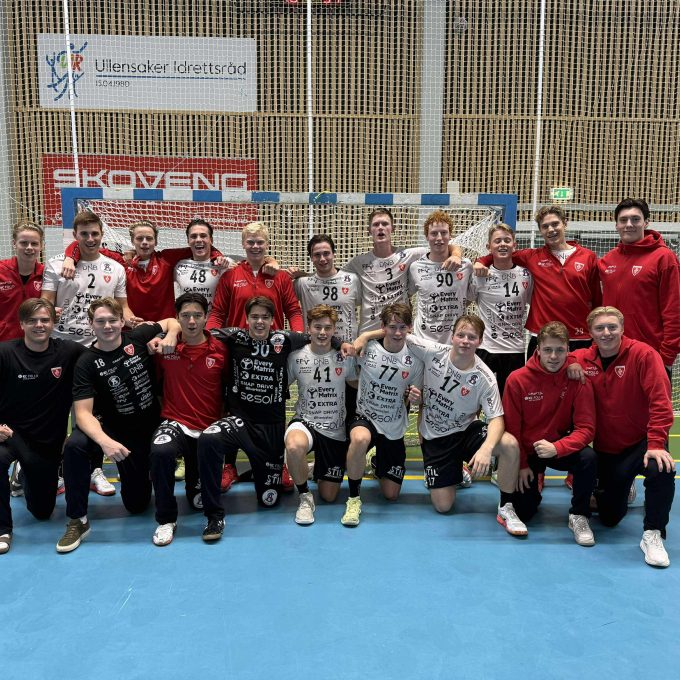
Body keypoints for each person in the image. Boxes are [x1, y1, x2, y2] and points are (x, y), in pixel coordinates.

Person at [198, 296, 348, 542]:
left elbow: (320, 336)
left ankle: (287, 469)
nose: (260, 321)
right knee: (208, 439)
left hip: (271, 427)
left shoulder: (285, 339)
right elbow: (197, 331)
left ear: (273, 320)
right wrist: (169, 333)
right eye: (255, 316)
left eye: (265, 317)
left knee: (269, 500)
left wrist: (341, 342)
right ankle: (214, 515)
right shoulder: (234, 336)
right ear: (247, 318)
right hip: (240, 421)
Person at [55, 298, 180, 553]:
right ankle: (78, 520)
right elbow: (82, 414)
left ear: (122, 321)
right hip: (111, 430)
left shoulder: (138, 337)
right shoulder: (86, 362)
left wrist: (170, 336)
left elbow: (171, 322)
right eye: (100, 321)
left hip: (144, 429)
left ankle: (146, 477)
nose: (107, 326)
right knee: (75, 446)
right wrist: (105, 442)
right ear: (91, 324)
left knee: (136, 505)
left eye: (113, 320)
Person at [568, 306, 675, 567]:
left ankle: (653, 533)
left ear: (622, 329)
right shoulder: (581, 358)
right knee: (609, 518)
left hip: (642, 442)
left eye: (612, 327)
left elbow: (661, 402)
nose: (606, 333)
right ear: (590, 332)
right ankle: (623, 487)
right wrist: (570, 363)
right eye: (599, 328)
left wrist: (657, 443)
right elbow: (553, 358)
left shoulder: (644, 355)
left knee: (661, 468)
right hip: (607, 448)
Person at [404, 314, 527, 536]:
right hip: (436, 437)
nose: (465, 341)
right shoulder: (433, 352)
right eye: (461, 335)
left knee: (509, 444)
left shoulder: (484, 377)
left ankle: (506, 507)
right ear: (452, 337)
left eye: (472, 337)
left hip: (466, 431)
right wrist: (364, 337)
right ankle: (458, 472)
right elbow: (399, 333)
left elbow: (497, 419)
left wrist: (486, 449)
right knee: (443, 506)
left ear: (480, 341)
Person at [0, 298, 84, 554]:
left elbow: (104, 352)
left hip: (46, 442)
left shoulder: (68, 352)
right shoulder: (5, 353)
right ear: (22, 324)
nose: (39, 325)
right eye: (32, 320)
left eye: (45, 320)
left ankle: (22, 474)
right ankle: (3, 529)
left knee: (42, 512)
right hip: (9, 434)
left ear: (53, 323)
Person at [503, 321, 597, 545]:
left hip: (557, 447)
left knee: (588, 458)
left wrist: (558, 447)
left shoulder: (577, 379)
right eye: (547, 350)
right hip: (529, 451)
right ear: (537, 349)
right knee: (525, 511)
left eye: (560, 350)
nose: (553, 356)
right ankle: (531, 488)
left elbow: (586, 428)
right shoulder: (517, 379)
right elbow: (512, 429)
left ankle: (579, 514)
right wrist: (521, 464)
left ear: (568, 350)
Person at [147, 292, 229, 546]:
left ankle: (215, 517)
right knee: (160, 451)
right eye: (185, 316)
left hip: (209, 426)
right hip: (176, 421)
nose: (191, 321)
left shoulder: (221, 350)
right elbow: (157, 387)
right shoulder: (164, 349)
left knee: (198, 498)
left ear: (206, 317)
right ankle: (166, 520)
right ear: (178, 318)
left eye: (197, 315)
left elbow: (227, 390)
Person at [474, 205, 601, 357]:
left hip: (579, 337)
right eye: (545, 226)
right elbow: (501, 253)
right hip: (542, 336)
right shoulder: (532, 256)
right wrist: (481, 261)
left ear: (565, 223)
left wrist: (597, 333)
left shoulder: (588, 257)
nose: (551, 229)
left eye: (555, 224)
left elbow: (597, 300)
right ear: (540, 230)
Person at [341, 303, 424, 527]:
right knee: (360, 439)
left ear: (409, 328)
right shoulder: (368, 349)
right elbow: (350, 378)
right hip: (365, 416)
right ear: (383, 327)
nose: (397, 333)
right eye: (392, 327)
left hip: (393, 425)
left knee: (391, 495)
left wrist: (415, 397)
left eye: (402, 327)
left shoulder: (415, 359)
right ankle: (354, 498)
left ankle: (376, 461)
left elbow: (417, 396)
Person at [62, 219, 227, 322]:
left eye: (149, 238)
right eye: (140, 238)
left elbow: (200, 245)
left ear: (156, 241)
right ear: (132, 241)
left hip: (164, 328)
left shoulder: (166, 259)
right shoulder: (122, 261)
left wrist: (217, 256)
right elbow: (84, 245)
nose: (145, 242)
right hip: (132, 327)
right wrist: (70, 258)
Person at [285, 304, 357, 525]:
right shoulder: (296, 356)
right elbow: (279, 387)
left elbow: (357, 385)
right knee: (294, 446)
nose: (322, 332)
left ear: (335, 329)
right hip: (305, 421)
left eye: (327, 327)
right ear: (309, 328)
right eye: (317, 327)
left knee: (329, 495)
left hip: (334, 429)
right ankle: (305, 497)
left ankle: (311, 468)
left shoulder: (344, 357)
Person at [598, 198, 680, 380]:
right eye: (623, 220)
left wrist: (666, 357)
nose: (629, 224)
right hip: (611, 353)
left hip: (651, 354)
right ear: (616, 225)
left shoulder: (664, 258)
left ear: (646, 222)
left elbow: (674, 310)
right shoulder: (607, 260)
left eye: (635, 219)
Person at [344, 208, 462, 333]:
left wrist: (456, 254)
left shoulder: (410, 255)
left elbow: (441, 246)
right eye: (376, 224)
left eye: (385, 224)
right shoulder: (358, 262)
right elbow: (335, 275)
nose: (380, 227)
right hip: (369, 333)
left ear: (393, 228)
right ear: (369, 230)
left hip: (399, 331)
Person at [41, 210, 138, 343]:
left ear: (102, 234)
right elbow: (46, 300)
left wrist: (135, 323)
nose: (90, 239)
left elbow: (123, 307)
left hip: (100, 343)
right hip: (61, 340)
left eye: (95, 234)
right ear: (75, 235)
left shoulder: (117, 268)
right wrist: (49, 312)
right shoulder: (55, 264)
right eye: (84, 234)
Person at [467, 223, 532, 396]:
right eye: (497, 241)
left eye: (507, 240)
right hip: (486, 348)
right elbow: (463, 303)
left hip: (514, 350)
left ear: (514, 245)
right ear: (489, 247)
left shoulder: (526, 275)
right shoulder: (479, 275)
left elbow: (535, 303)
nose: (502, 244)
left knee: (510, 400)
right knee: (476, 399)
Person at [207, 222, 303, 332]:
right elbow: (217, 314)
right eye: (250, 242)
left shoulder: (281, 277)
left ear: (267, 244)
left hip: (273, 341)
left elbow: (293, 312)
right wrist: (210, 337)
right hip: (239, 342)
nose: (255, 246)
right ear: (243, 244)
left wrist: (298, 335)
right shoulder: (229, 276)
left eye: (260, 242)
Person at [409, 209, 472, 345]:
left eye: (443, 233)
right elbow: (406, 296)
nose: (439, 238)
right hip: (423, 340)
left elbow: (471, 296)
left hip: (455, 341)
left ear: (450, 235)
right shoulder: (415, 267)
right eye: (434, 233)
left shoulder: (466, 265)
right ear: (427, 236)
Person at [294, 234, 362, 344]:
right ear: (311, 258)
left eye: (326, 253)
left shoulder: (352, 280)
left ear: (333, 254)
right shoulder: (302, 283)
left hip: (347, 347)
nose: (322, 259)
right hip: (315, 347)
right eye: (317, 255)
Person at [173, 219, 238, 309]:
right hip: (189, 316)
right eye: (193, 236)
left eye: (203, 236)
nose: (198, 240)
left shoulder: (225, 263)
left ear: (211, 240)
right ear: (188, 241)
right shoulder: (178, 266)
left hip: (215, 317)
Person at [0, 221, 45, 342]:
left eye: (34, 243)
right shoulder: (1, 270)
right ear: (14, 244)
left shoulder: (47, 274)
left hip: (35, 343)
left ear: (41, 246)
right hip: (4, 342)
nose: (29, 247)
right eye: (24, 243)